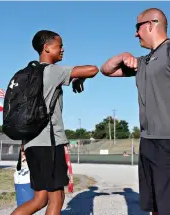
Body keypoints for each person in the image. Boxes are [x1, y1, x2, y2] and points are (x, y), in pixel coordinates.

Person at [100, 8, 170, 215]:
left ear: (151, 25)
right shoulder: (142, 62)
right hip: (147, 140)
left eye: (137, 28)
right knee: (154, 206)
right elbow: (106, 70)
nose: (136, 34)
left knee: (169, 208)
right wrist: (124, 55)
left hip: (169, 140)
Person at [11, 30, 99, 215]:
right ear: (47, 47)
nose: (63, 50)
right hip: (50, 144)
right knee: (57, 199)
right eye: (59, 46)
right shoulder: (52, 71)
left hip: (32, 144)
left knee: (40, 199)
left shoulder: (29, 74)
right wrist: (79, 77)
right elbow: (93, 69)